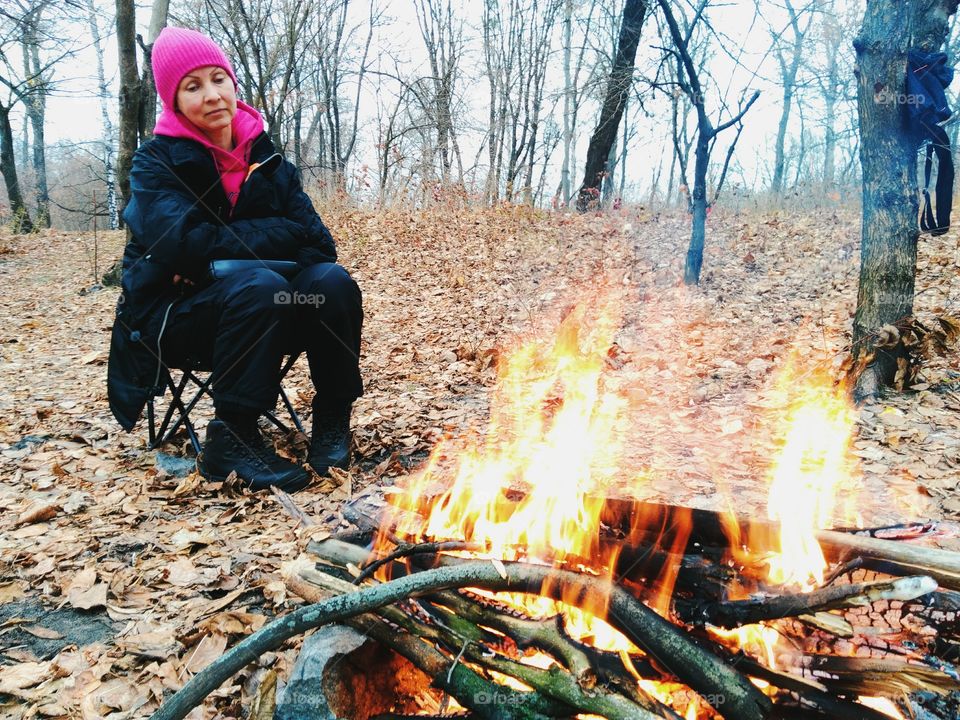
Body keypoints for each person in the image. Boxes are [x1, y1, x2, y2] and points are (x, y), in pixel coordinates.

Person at [107, 26, 363, 493]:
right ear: (174, 100)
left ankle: (332, 419)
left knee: (331, 283)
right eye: (193, 86)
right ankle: (233, 436)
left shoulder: (270, 162)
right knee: (261, 285)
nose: (211, 95)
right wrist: (278, 239)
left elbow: (318, 247)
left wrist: (226, 248)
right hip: (177, 318)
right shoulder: (155, 165)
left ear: (232, 82)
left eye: (217, 78)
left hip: (272, 313)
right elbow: (182, 245)